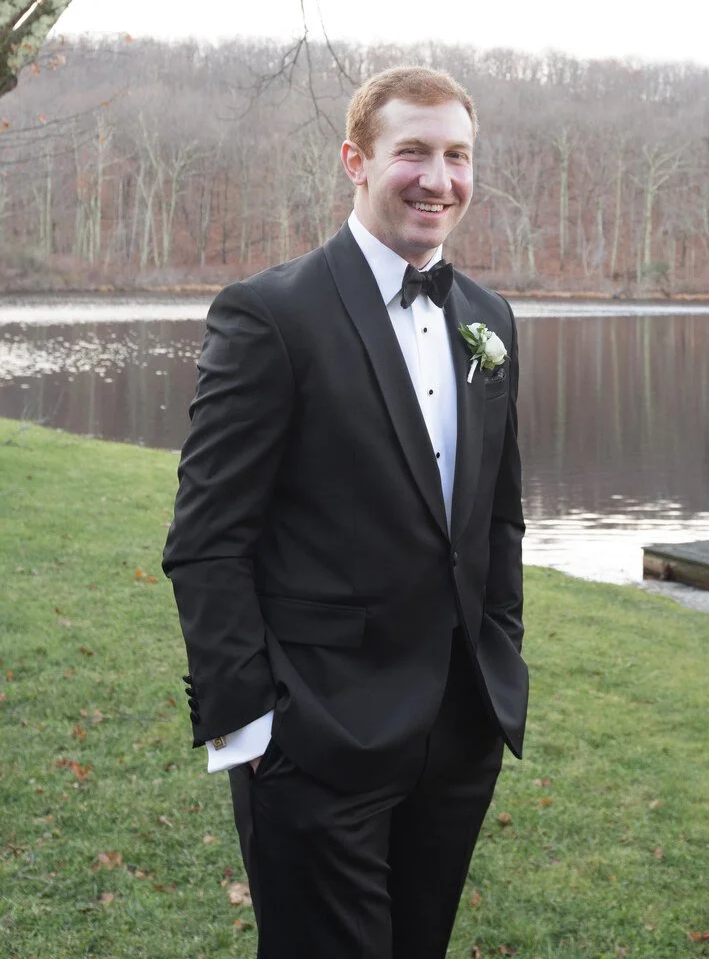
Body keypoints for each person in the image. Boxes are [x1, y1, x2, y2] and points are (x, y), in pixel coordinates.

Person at [162, 65, 527, 959]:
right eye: (412, 152)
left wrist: (499, 657)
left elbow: (498, 520)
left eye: (456, 156)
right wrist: (250, 726)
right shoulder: (271, 314)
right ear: (355, 161)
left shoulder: (489, 319)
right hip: (317, 741)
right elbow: (208, 540)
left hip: (457, 733)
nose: (437, 180)